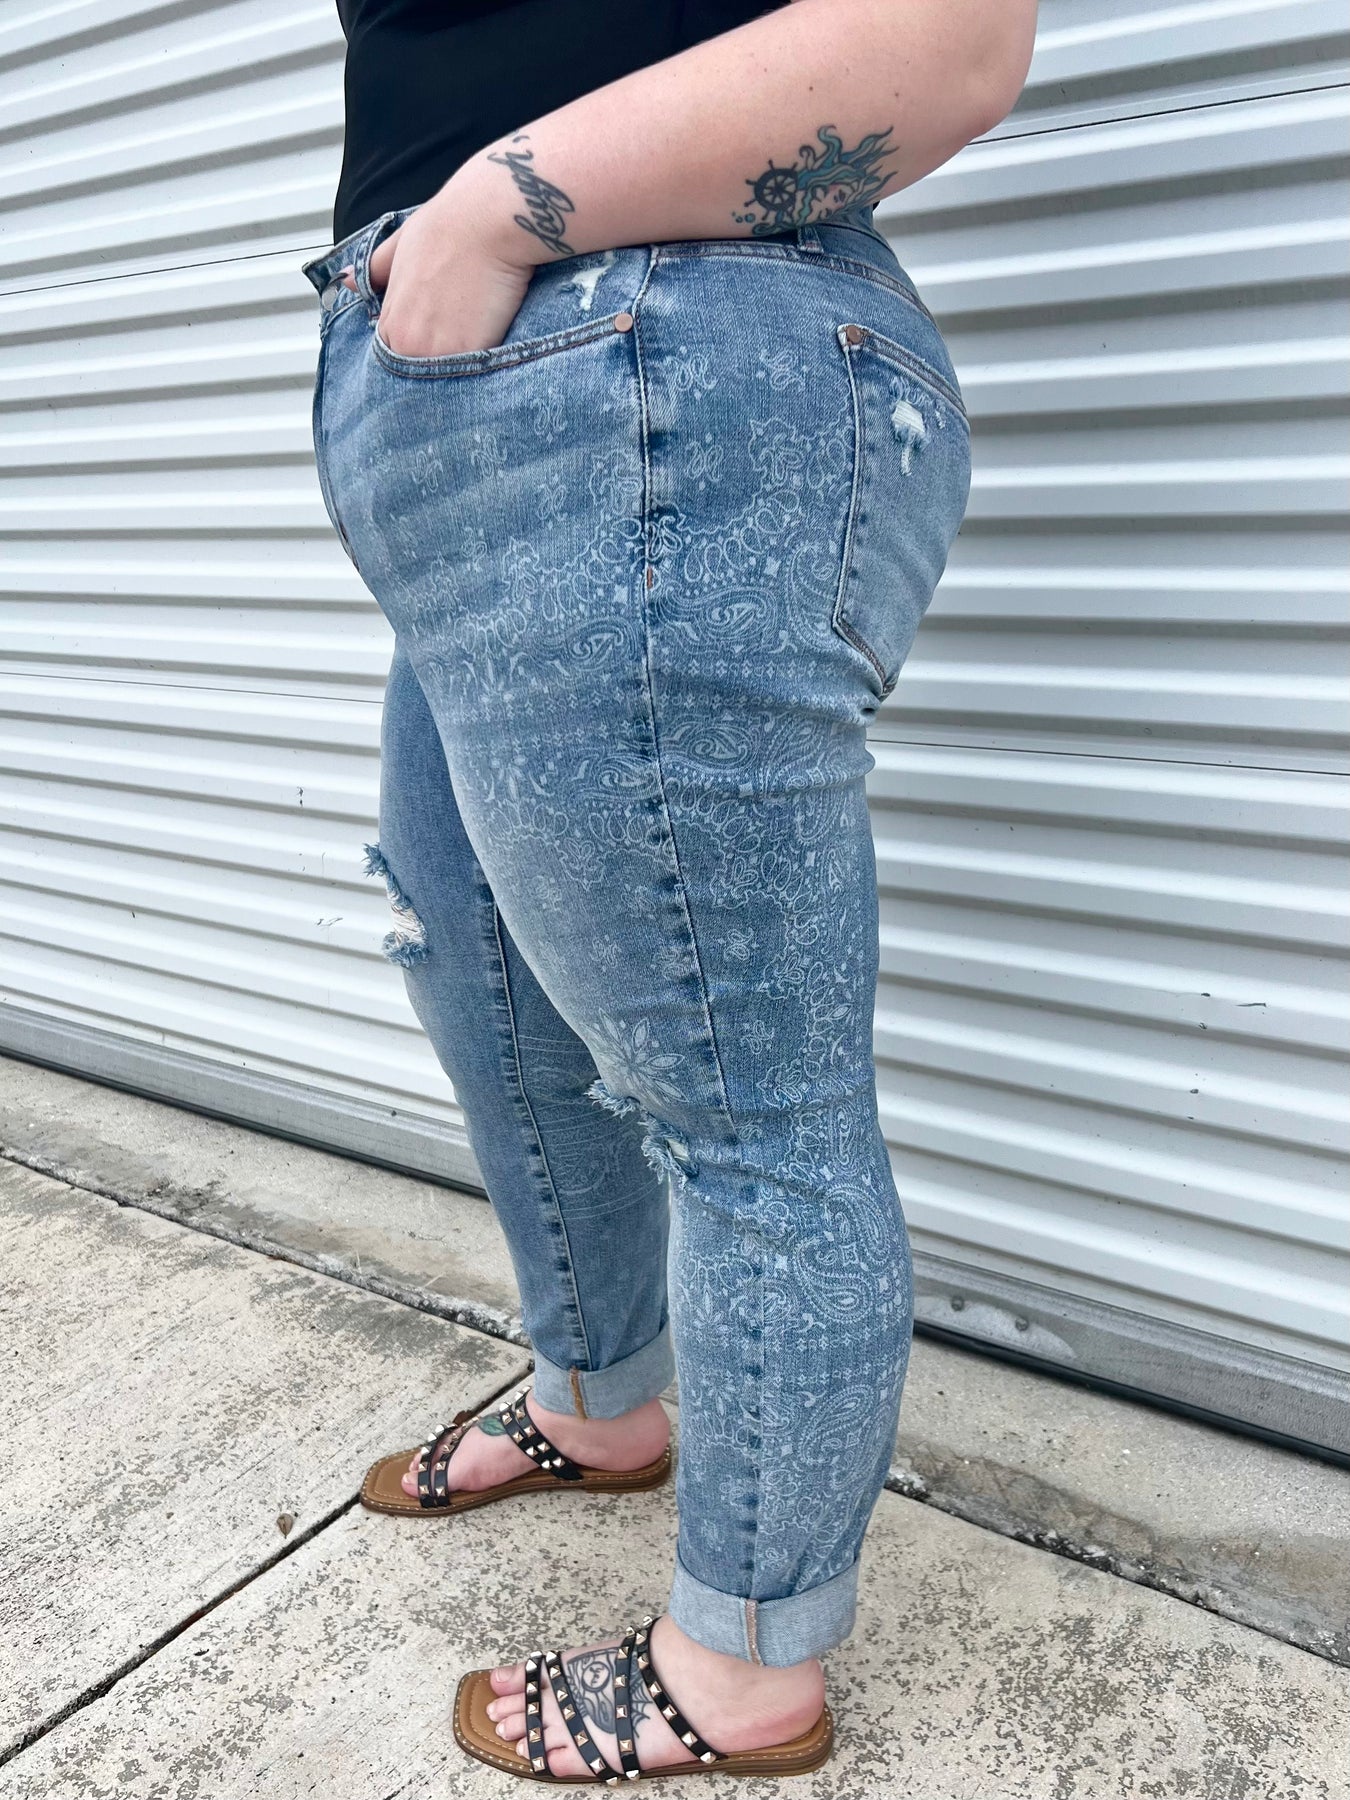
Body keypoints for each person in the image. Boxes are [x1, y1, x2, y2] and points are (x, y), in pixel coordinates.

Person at [301, 0, 1035, 1782]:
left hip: (641, 370)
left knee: (743, 1098)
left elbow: (945, 36)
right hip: (509, 409)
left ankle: (746, 1665)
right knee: (488, 986)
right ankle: (597, 1403)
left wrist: (490, 217)